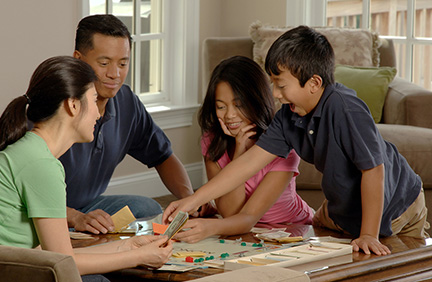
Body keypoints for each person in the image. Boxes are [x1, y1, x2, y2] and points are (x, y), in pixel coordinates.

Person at [163, 26, 429, 256]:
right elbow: (246, 166)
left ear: (313, 83)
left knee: (393, 266)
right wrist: (193, 200)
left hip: (396, 205)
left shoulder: (345, 108)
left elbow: (373, 170)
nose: (276, 94)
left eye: (281, 85)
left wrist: (369, 234)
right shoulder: (287, 118)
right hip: (343, 210)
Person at [0, 56, 173, 280]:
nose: (98, 113)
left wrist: (131, 246)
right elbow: (63, 262)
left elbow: (56, 254)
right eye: (94, 100)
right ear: (73, 105)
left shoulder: (32, 151)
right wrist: (139, 257)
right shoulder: (41, 164)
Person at [61, 14, 213, 235]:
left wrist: (188, 199)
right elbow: (25, 194)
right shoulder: (56, 106)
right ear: (78, 59)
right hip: (47, 213)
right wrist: (75, 217)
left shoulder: (125, 101)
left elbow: (163, 156)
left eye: (123, 63)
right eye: (104, 63)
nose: (115, 74)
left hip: (88, 205)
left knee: (147, 208)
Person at [173, 56, 314, 243]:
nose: (230, 115)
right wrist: (239, 151)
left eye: (239, 105)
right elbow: (230, 212)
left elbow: (247, 217)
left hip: (292, 229)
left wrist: (210, 226)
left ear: (257, 100)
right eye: (221, 107)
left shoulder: (283, 144)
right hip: (243, 232)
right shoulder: (213, 141)